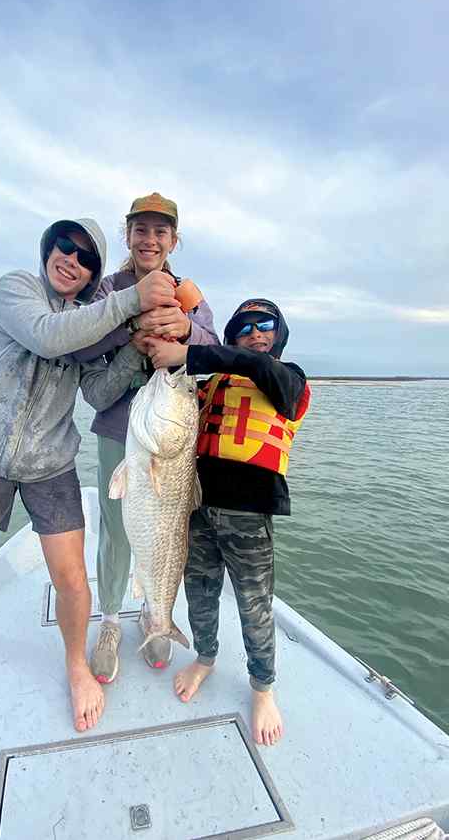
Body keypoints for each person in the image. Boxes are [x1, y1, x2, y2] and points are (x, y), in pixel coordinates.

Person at [0, 217, 180, 733]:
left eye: (87, 258)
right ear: (48, 249)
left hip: (52, 464)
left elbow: (99, 393)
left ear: (92, 275)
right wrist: (131, 304)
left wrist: (136, 348)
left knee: (70, 578)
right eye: (66, 247)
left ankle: (75, 665)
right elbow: (46, 337)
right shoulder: (16, 288)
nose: (73, 259)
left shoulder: (90, 319)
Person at [147, 298, 310, 746]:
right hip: (195, 510)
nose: (257, 334)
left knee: (253, 607)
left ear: (279, 335)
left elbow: (245, 363)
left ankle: (262, 688)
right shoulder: (210, 385)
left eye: (266, 326)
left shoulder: (290, 380)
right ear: (233, 335)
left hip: (250, 517)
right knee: (199, 594)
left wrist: (195, 352)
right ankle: (205, 657)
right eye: (245, 328)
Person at [73, 193, 218, 684]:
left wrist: (186, 330)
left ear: (174, 240)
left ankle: (157, 620)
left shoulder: (189, 295)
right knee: (115, 531)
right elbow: (83, 340)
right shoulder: (106, 290)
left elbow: (215, 349)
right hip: (122, 432)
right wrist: (132, 331)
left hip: (173, 438)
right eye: (140, 229)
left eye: (160, 231)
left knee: (169, 531)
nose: (149, 239)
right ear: (127, 235)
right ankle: (111, 621)